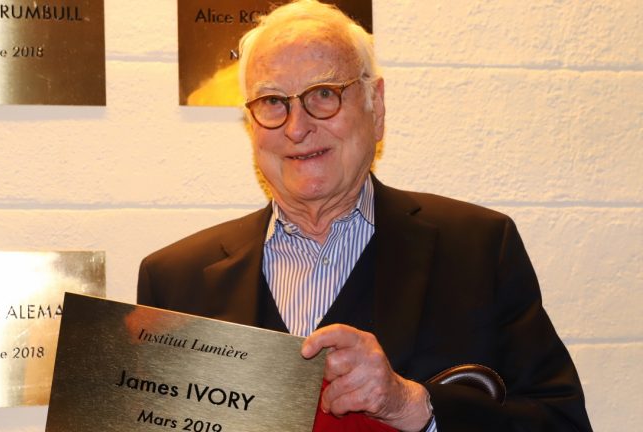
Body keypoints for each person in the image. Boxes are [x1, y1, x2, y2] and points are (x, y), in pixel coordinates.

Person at [137, 1, 592, 430]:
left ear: (376, 106)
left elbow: (561, 422)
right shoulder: (175, 281)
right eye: (273, 101)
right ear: (251, 123)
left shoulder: (479, 248)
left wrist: (414, 406)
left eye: (324, 93)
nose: (297, 128)